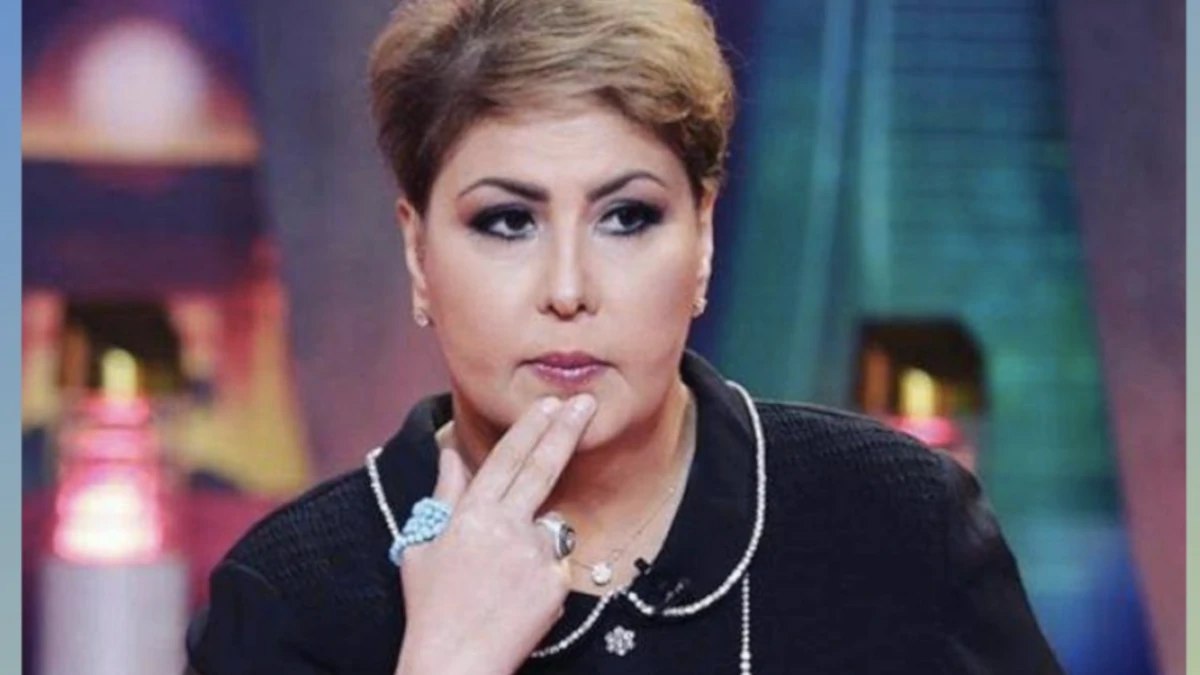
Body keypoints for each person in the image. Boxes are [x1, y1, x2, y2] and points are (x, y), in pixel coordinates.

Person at [185, 0, 1063, 673]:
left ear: (703, 238)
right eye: (507, 222)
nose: (568, 290)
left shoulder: (896, 520)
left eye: (627, 216)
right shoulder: (289, 597)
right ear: (419, 255)